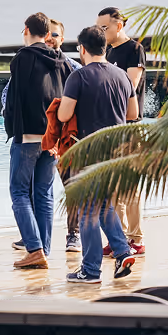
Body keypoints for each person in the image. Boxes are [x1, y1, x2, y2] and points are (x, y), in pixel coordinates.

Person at [58, 26, 139, 285]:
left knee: (87, 211)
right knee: (104, 206)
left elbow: (64, 115)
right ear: (105, 47)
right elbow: (132, 113)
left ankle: (90, 270)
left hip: (88, 152)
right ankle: (123, 252)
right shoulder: (122, 75)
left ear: (82, 49)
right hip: (117, 151)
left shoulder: (79, 77)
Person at [3, 12, 69, 270]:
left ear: (26, 30)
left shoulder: (23, 58)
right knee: (44, 193)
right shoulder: (62, 60)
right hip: (52, 137)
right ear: (47, 34)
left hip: (28, 136)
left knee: (19, 192)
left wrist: (13, 129)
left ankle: (34, 249)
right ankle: (44, 250)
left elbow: (16, 98)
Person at [97, 6, 146, 255]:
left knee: (130, 186)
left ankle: (136, 238)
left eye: (104, 28)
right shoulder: (108, 51)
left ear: (119, 25)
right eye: (98, 28)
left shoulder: (134, 49)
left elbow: (130, 86)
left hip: (130, 127)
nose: (101, 32)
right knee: (113, 187)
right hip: (111, 127)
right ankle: (119, 237)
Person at [46, 18, 82, 253]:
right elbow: (7, 96)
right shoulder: (29, 65)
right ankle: (35, 237)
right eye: (47, 34)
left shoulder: (74, 69)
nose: (50, 39)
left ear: (62, 38)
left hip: (66, 140)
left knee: (72, 187)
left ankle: (73, 234)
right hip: (38, 137)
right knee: (37, 189)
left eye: (55, 35)